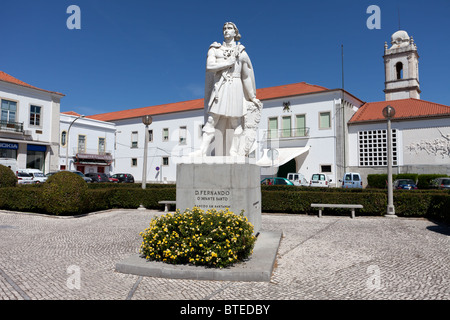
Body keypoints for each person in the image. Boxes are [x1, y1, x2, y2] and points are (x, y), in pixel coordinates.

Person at [192, 22, 262, 157]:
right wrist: (228, 63)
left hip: (236, 86)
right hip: (220, 86)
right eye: (224, 28)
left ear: (235, 33)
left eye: (229, 28)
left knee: (236, 122)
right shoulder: (215, 49)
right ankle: (202, 150)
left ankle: (234, 151)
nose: (226, 30)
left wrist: (252, 97)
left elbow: (246, 76)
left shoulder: (241, 53)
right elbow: (210, 66)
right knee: (211, 119)